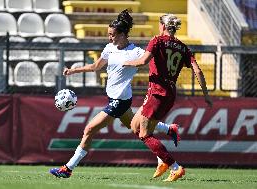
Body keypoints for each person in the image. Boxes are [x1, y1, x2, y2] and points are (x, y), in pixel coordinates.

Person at [49, 10, 180, 179]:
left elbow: (153, 61)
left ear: (123, 34)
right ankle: (169, 129)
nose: (109, 38)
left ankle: (68, 168)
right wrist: (73, 70)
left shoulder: (136, 52)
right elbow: (96, 66)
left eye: (112, 35)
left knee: (89, 129)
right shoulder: (109, 48)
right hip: (116, 98)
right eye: (108, 34)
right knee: (138, 129)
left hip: (119, 101)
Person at [123, 13, 213, 182]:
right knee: (135, 127)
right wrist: (206, 96)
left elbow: (143, 61)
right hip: (169, 93)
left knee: (144, 134)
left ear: (162, 26)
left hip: (156, 92)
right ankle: (165, 150)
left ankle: (175, 167)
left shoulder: (157, 41)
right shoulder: (183, 47)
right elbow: (198, 71)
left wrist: (124, 64)